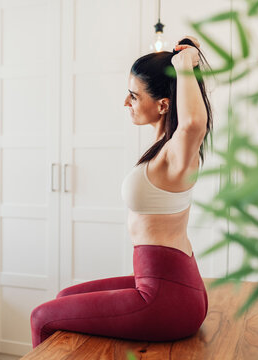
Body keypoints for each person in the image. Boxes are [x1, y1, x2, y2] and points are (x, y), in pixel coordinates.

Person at [30, 35, 213, 348]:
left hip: (167, 297)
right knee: (64, 298)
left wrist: (184, 64)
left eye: (133, 96)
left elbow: (194, 122)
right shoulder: (162, 151)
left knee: (41, 317)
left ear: (163, 104)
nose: (125, 103)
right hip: (166, 286)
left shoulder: (176, 155)